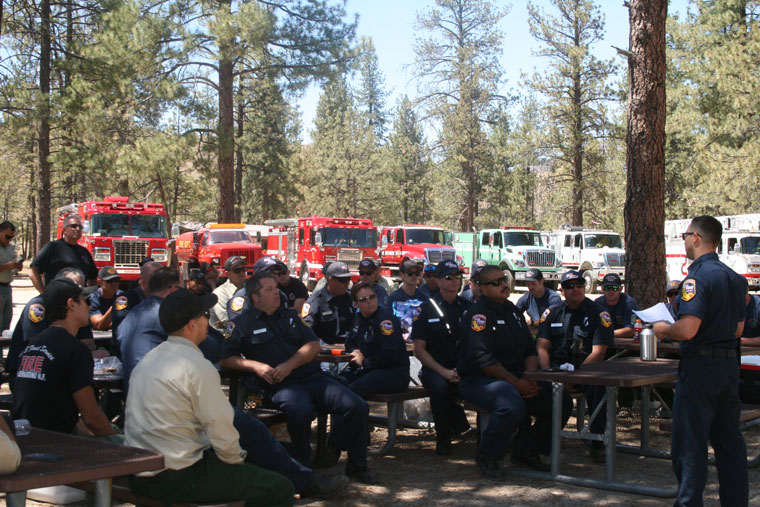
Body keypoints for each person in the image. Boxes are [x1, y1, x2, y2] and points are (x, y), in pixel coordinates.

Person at [125, 288, 296, 507]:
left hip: (139, 474)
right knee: (280, 488)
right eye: (205, 315)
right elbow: (220, 428)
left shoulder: (149, 360)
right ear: (191, 325)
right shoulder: (196, 365)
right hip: (178, 476)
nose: (209, 320)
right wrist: (236, 464)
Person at [220, 271, 376, 484]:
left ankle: (358, 466)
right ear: (255, 297)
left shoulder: (290, 316)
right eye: (270, 290)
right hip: (282, 386)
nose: (277, 293)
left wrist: (288, 365)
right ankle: (303, 470)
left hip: (313, 378)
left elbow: (313, 345)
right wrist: (255, 366)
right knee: (299, 411)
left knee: (356, 405)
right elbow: (227, 358)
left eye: (276, 288)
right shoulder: (242, 324)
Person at [653, 215, 748, 506]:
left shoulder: (696, 279)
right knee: (730, 445)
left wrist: (663, 329)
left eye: (684, 234)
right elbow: (738, 330)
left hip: (700, 370)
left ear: (696, 237)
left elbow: (687, 329)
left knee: (691, 446)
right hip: (729, 368)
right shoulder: (736, 279)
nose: (682, 240)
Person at [458, 265, 568, 478]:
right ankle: (488, 455)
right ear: (482, 288)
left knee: (559, 399)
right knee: (510, 405)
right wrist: (517, 384)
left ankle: (528, 449)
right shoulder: (477, 316)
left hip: (516, 376)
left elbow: (529, 348)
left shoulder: (513, 311)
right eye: (496, 282)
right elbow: (485, 361)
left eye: (504, 279)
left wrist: (529, 378)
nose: (503, 284)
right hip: (480, 379)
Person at [11, 278, 117, 437]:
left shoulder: (33, 345)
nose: (89, 306)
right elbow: (92, 418)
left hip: (25, 436)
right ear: (71, 304)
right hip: (56, 443)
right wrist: (119, 440)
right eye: (85, 300)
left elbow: (68, 414)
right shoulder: (75, 350)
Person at [536, 270, 614, 462]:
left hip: (587, 372)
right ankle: (536, 443)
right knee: (535, 389)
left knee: (600, 389)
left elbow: (599, 352)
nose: (576, 289)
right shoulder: (552, 313)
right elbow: (542, 346)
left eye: (579, 284)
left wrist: (576, 377)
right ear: (562, 290)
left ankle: (596, 442)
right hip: (555, 372)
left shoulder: (598, 313)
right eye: (570, 286)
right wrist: (548, 373)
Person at [411, 260, 471, 456]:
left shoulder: (468, 307)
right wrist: (444, 372)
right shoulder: (427, 308)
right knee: (439, 387)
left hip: (462, 367)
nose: (454, 281)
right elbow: (419, 350)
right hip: (435, 368)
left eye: (457, 277)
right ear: (437, 280)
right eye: (448, 277)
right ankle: (443, 438)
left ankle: (485, 438)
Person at [5, 268, 97, 388]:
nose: (78, 295)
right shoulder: (38, 307)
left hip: (57, 370)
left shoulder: (79, 310)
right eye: (70, 287)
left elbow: (88, 344)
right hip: (28, 374)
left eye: (80, 290)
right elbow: (37, 347)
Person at [341, 282, 410, 398]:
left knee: (353, 390)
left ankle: (360, 415)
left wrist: (364, 362)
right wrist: (356, 351)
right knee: (338, 384)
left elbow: (389, 354)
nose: (369, 301)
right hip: (371, 370)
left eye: (372, 297)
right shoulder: (359, 318)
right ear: (356, 304)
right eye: (363, 299)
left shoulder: (385, 321)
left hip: (393, 373)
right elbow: (349, 342)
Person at [119, 267, 180, 385]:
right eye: (181, 290)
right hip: (158, 392)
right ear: (172, 289)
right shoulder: (168, 315)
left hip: (135, 394)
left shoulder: (133, 313)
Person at [30, 214, 97, 292]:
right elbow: (33, 271)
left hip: (77, 301)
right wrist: (43, 293)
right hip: (55, 299)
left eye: (80, 227)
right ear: (64, 230)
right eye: (73, 226)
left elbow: (93, 278)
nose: (77, 229)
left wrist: (89, 295)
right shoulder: (52, 247)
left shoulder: (84, 252)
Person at [302, 262, 355, 345]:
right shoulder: (315, 302)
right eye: (343, 280)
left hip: (350, 348)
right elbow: (306, 332)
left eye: (348, 279)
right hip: (326, 351)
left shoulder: (351, 299)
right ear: (331, 280)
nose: (347, 283)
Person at [88, 266, 129, 355]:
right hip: (97, 341)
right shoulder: (93, 298)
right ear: (100, 282)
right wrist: (114, 306)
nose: (114, 284)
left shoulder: (122, 295)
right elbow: (100, 325)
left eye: (117, 280)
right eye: (109, 281)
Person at [515, 268, 561, 333]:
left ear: (542, 281)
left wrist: (533, 322)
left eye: (533, 283)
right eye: (528, 284)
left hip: (551, 332)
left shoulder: (554, 298)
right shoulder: (526, 297)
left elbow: (551, 321)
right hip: (534, 331)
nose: (530, 287)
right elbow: (514, 315)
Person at [210, 256, 248, 333]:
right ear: (227, 273)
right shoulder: (220, 294)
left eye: (243, 269)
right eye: (237, 270)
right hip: (224, 337)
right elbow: (229, 322)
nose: (241, 273)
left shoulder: (250, 289)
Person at [594, 273, 639, 338]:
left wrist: (606, 334)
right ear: (602, 289)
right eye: (607, 288)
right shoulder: (597, 304)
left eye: (614, 288)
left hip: (624, 344)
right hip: (601, 341)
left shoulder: (629, 303)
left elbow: (630, 330)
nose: (611, 291)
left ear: (620, 289)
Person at [0, 221, 22, 331]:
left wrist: (17, 265)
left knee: (6, 323)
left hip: (8, 287)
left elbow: (12, 266)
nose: (9, 240)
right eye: (7, 236)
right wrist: (5, 266)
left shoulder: (10, 247)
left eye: (11, 237)